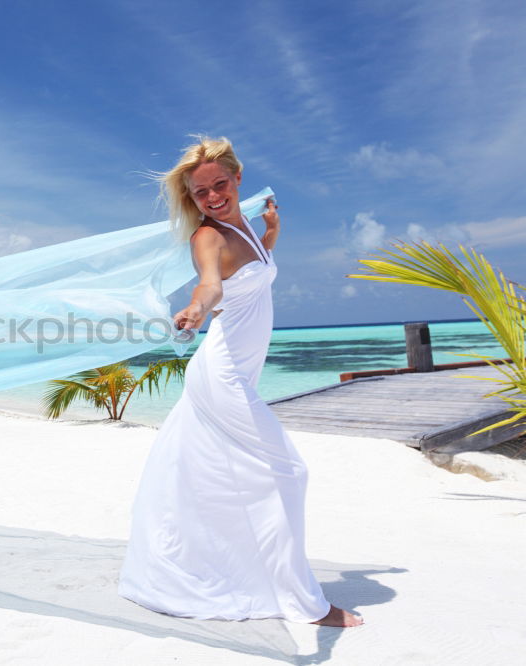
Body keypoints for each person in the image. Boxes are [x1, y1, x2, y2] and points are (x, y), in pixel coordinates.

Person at [117, 136, 363, 628]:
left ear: (237, 179)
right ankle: (306, 605)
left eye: (219, 184)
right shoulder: (206, 237)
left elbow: (253, 269)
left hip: (239, 374)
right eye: (200, 192)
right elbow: (210, 282)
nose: (211, 197)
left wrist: (272, 232)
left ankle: (231, 575)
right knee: (288, 473)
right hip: (223, 374)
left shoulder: (246, 227)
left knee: (217, 480)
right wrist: (196, 307)